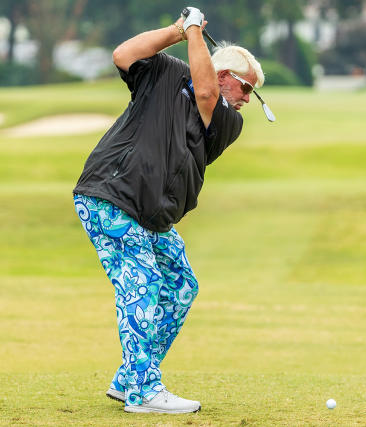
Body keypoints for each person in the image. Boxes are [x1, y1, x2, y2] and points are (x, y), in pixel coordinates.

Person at [72, 6, 264, 414]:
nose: (247, 99)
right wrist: (179, 30)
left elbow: (206, 93)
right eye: (246, 88)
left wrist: (195, 29)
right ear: (225, 74)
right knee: (141, 281)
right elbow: (123, 55)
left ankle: (130, 379)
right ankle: (143, 391)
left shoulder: (227, 119)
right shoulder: (165, 72)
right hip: (112, 195)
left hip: (152, 214)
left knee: (180, 285)